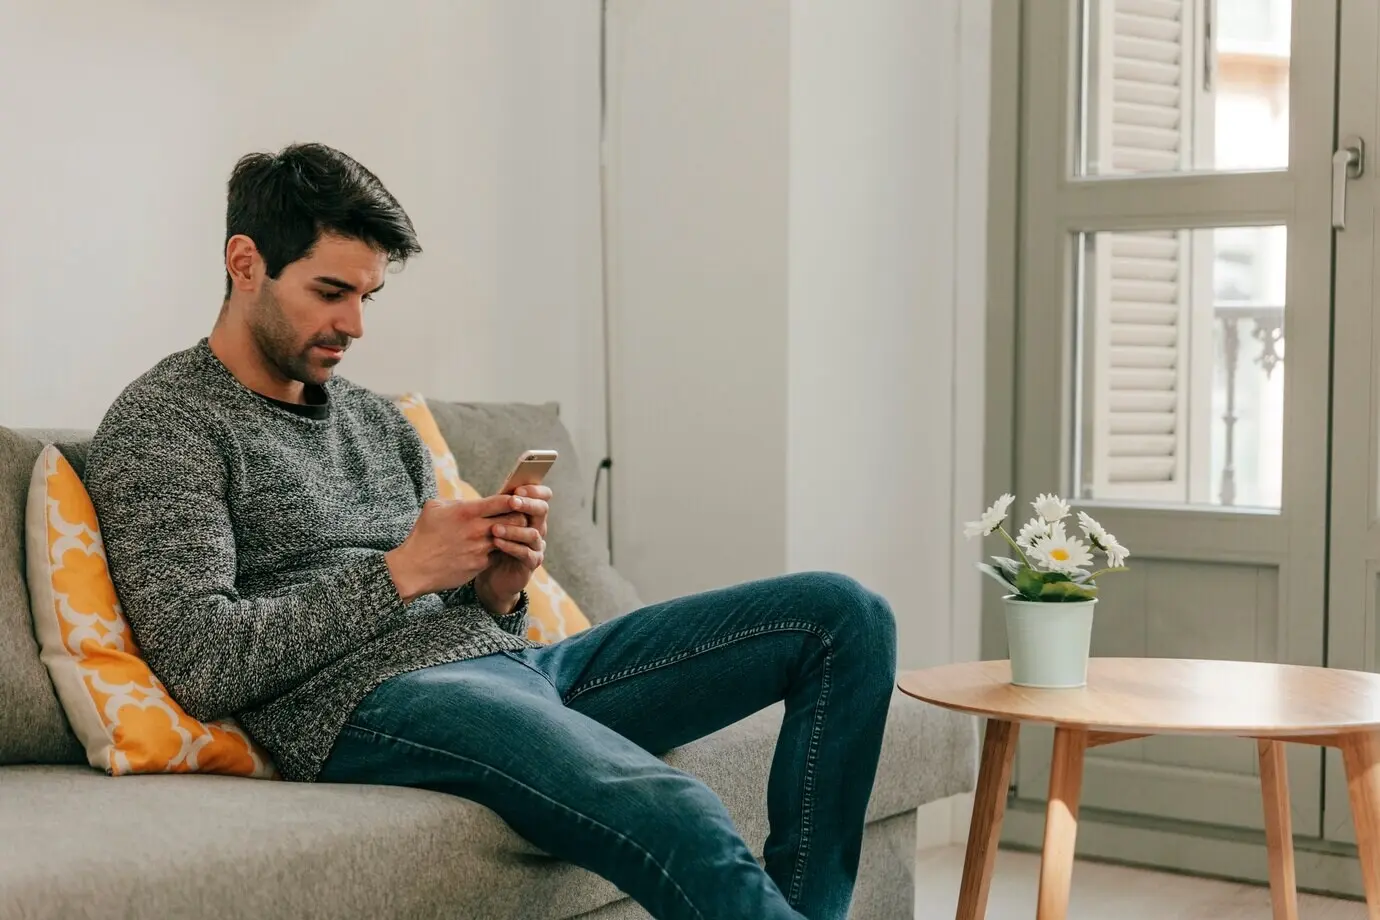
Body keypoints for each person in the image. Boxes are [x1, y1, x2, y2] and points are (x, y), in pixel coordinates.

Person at [84, 142, 897, 920]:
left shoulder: (376, 420)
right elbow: (203, 663)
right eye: (330, 292)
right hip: (360, 703)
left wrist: (495, 589)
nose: (355, 325)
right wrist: (401, 573)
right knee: (672, 803)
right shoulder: (165, 424)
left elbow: (453, 609)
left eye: (367, 297)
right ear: (245, 263)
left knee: (842, 616)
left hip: (513, 666)